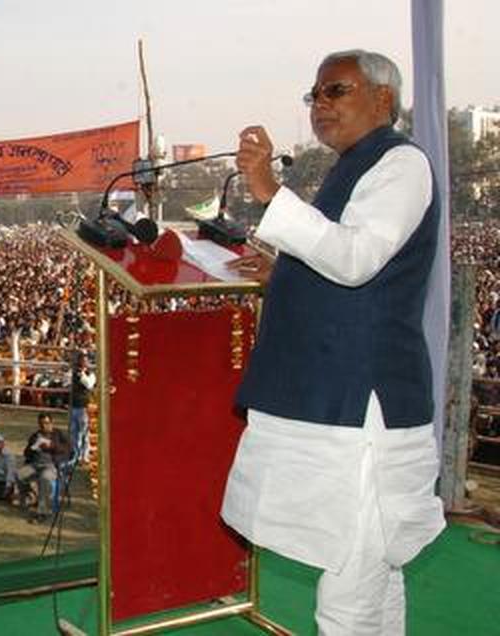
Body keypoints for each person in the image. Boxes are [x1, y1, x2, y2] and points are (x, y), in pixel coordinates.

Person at [222, 49, 445, 634]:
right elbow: (347, 260)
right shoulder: (354, 166)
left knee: (349, 590)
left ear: (383, 99)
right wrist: (282, 272)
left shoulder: (401, 164)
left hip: (363, 406)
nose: (321, 104)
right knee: (374, 577)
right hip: (334, 400)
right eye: (314, 94)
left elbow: (355, 258)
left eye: (335, 91)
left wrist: (271, 192)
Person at [18, 413, 70, 523]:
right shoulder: (35, 435)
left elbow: (69, 450)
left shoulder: (58, 434)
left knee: (44, 478)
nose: (43, 426)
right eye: (41, 424)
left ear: (51, 423)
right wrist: (33, 448)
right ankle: (32, 496)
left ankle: (43, 512)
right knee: (19, 474)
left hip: (51, 465)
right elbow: (26, 453)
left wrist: (52, 446)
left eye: (46, 423)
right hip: (35, 465)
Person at [67, 353, 95, 464]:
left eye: (84, 360)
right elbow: (67, 381)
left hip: (84, 407)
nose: (82, 362)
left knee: (84, 433)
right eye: (81, 360)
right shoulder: (75, 372)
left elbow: (89, 385)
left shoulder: (90, 374)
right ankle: (76, 456)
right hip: (74, 406)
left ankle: (85, 456)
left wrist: (82, 374)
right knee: (74, 433)